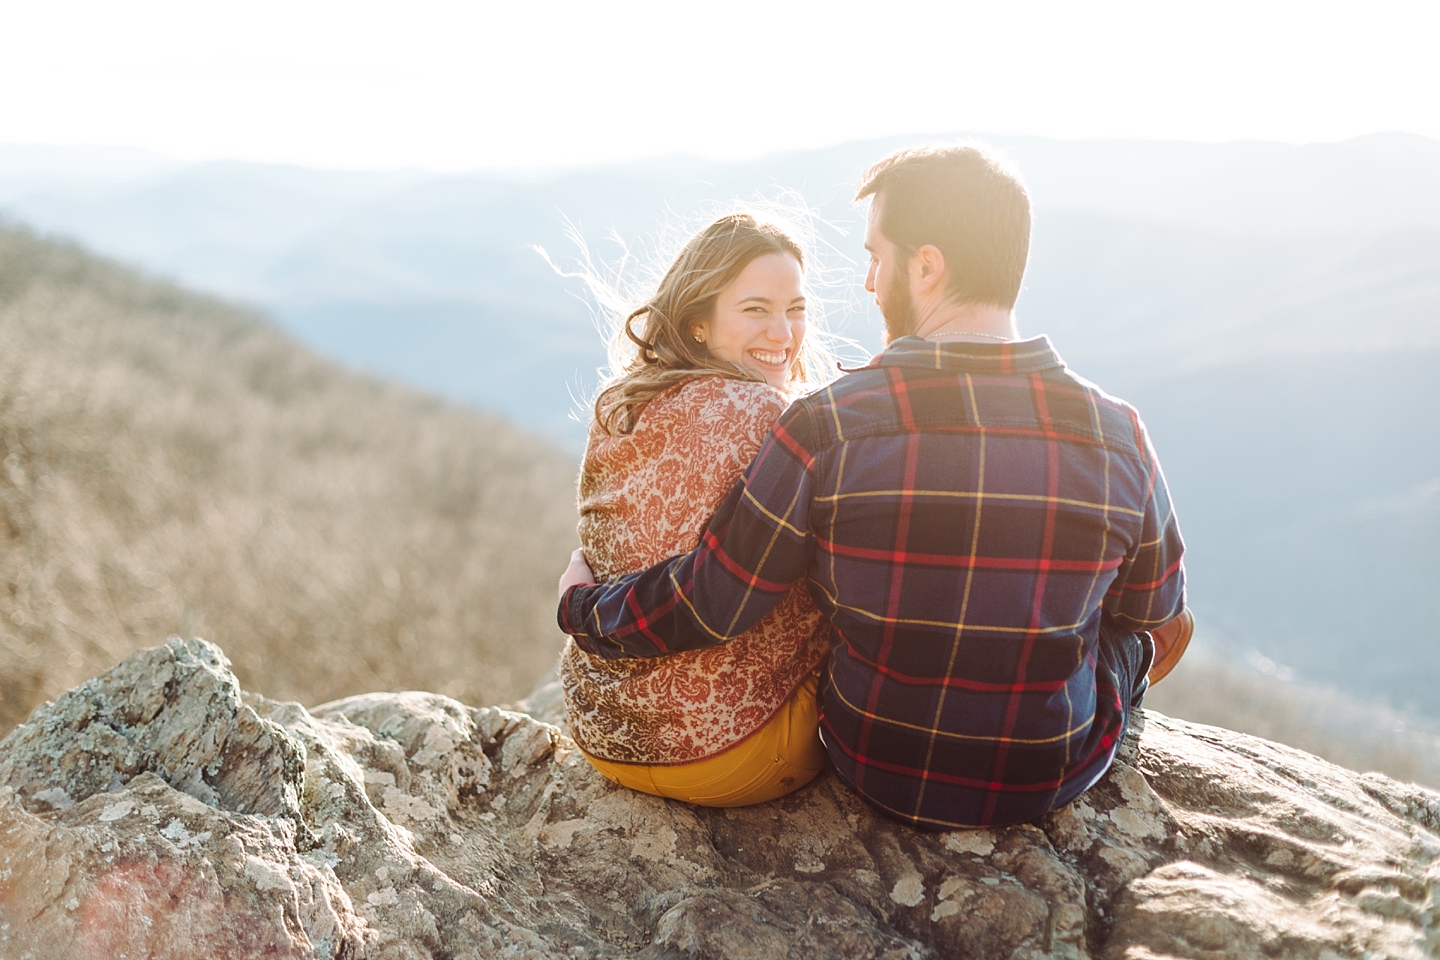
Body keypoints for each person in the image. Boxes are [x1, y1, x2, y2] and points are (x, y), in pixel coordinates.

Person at [557, 144, 1189, 831]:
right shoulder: (1118, 433)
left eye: (875, 257)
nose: (867, 283)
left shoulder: (824, 425)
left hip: (878, 767)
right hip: (1051, 776)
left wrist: (583, 608)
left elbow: (713, 600)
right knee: (1139, 626)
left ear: (926, 265)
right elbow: (1158, 613)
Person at [556, 212, 835, 807]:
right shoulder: (776, 416)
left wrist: (578, 605)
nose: (783, 334)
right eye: (756, 309)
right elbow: (720, 598)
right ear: (698, 323)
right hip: (734, 756)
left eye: (796, 309)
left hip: (604, 736)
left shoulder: (619, 405)